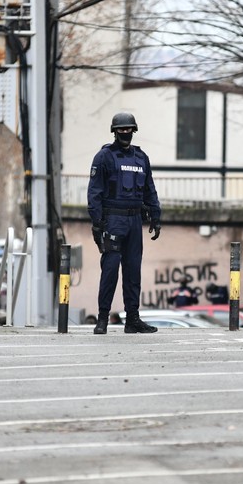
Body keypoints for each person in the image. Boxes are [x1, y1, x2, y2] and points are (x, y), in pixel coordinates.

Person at [87, 112, 162, 335]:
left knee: (133, 273)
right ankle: (102, 320)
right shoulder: (104, 157)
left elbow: (150, 190)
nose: (125, 132)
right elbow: (95, 193)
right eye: (121, 129)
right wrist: (97, 223)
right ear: (114, 131)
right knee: (110, 271)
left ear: (134, 130)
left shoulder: (141, 158)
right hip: (113, 220)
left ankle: (133, 320)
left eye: (128, 129)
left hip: (135, 221)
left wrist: (156, 217)